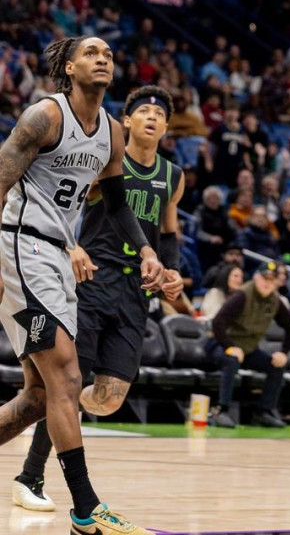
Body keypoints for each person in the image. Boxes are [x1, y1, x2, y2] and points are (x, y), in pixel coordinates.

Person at [0, 37, 164, 535]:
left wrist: (148, 251)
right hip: (22, 244)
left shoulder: (112, 132)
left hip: (57, 257)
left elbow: (116, 203)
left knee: (37, 398)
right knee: (69, 379)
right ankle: (86, 511)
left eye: (109, 55)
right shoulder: (45, 116)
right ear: (69, 67)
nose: (103, 59)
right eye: (92, 53)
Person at [208, 261, 290, 428]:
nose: (267, 283)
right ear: (256, 277)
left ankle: (264, 412)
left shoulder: (275, 301)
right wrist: (229, 347)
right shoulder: (242, 295)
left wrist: (284, 352)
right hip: (219, 344)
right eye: (264, 278)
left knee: (276, 366)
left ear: (276, 282)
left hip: (247, 350)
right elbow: (218, 322)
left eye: (271, 279)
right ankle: (222, 410)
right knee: (231, 360)